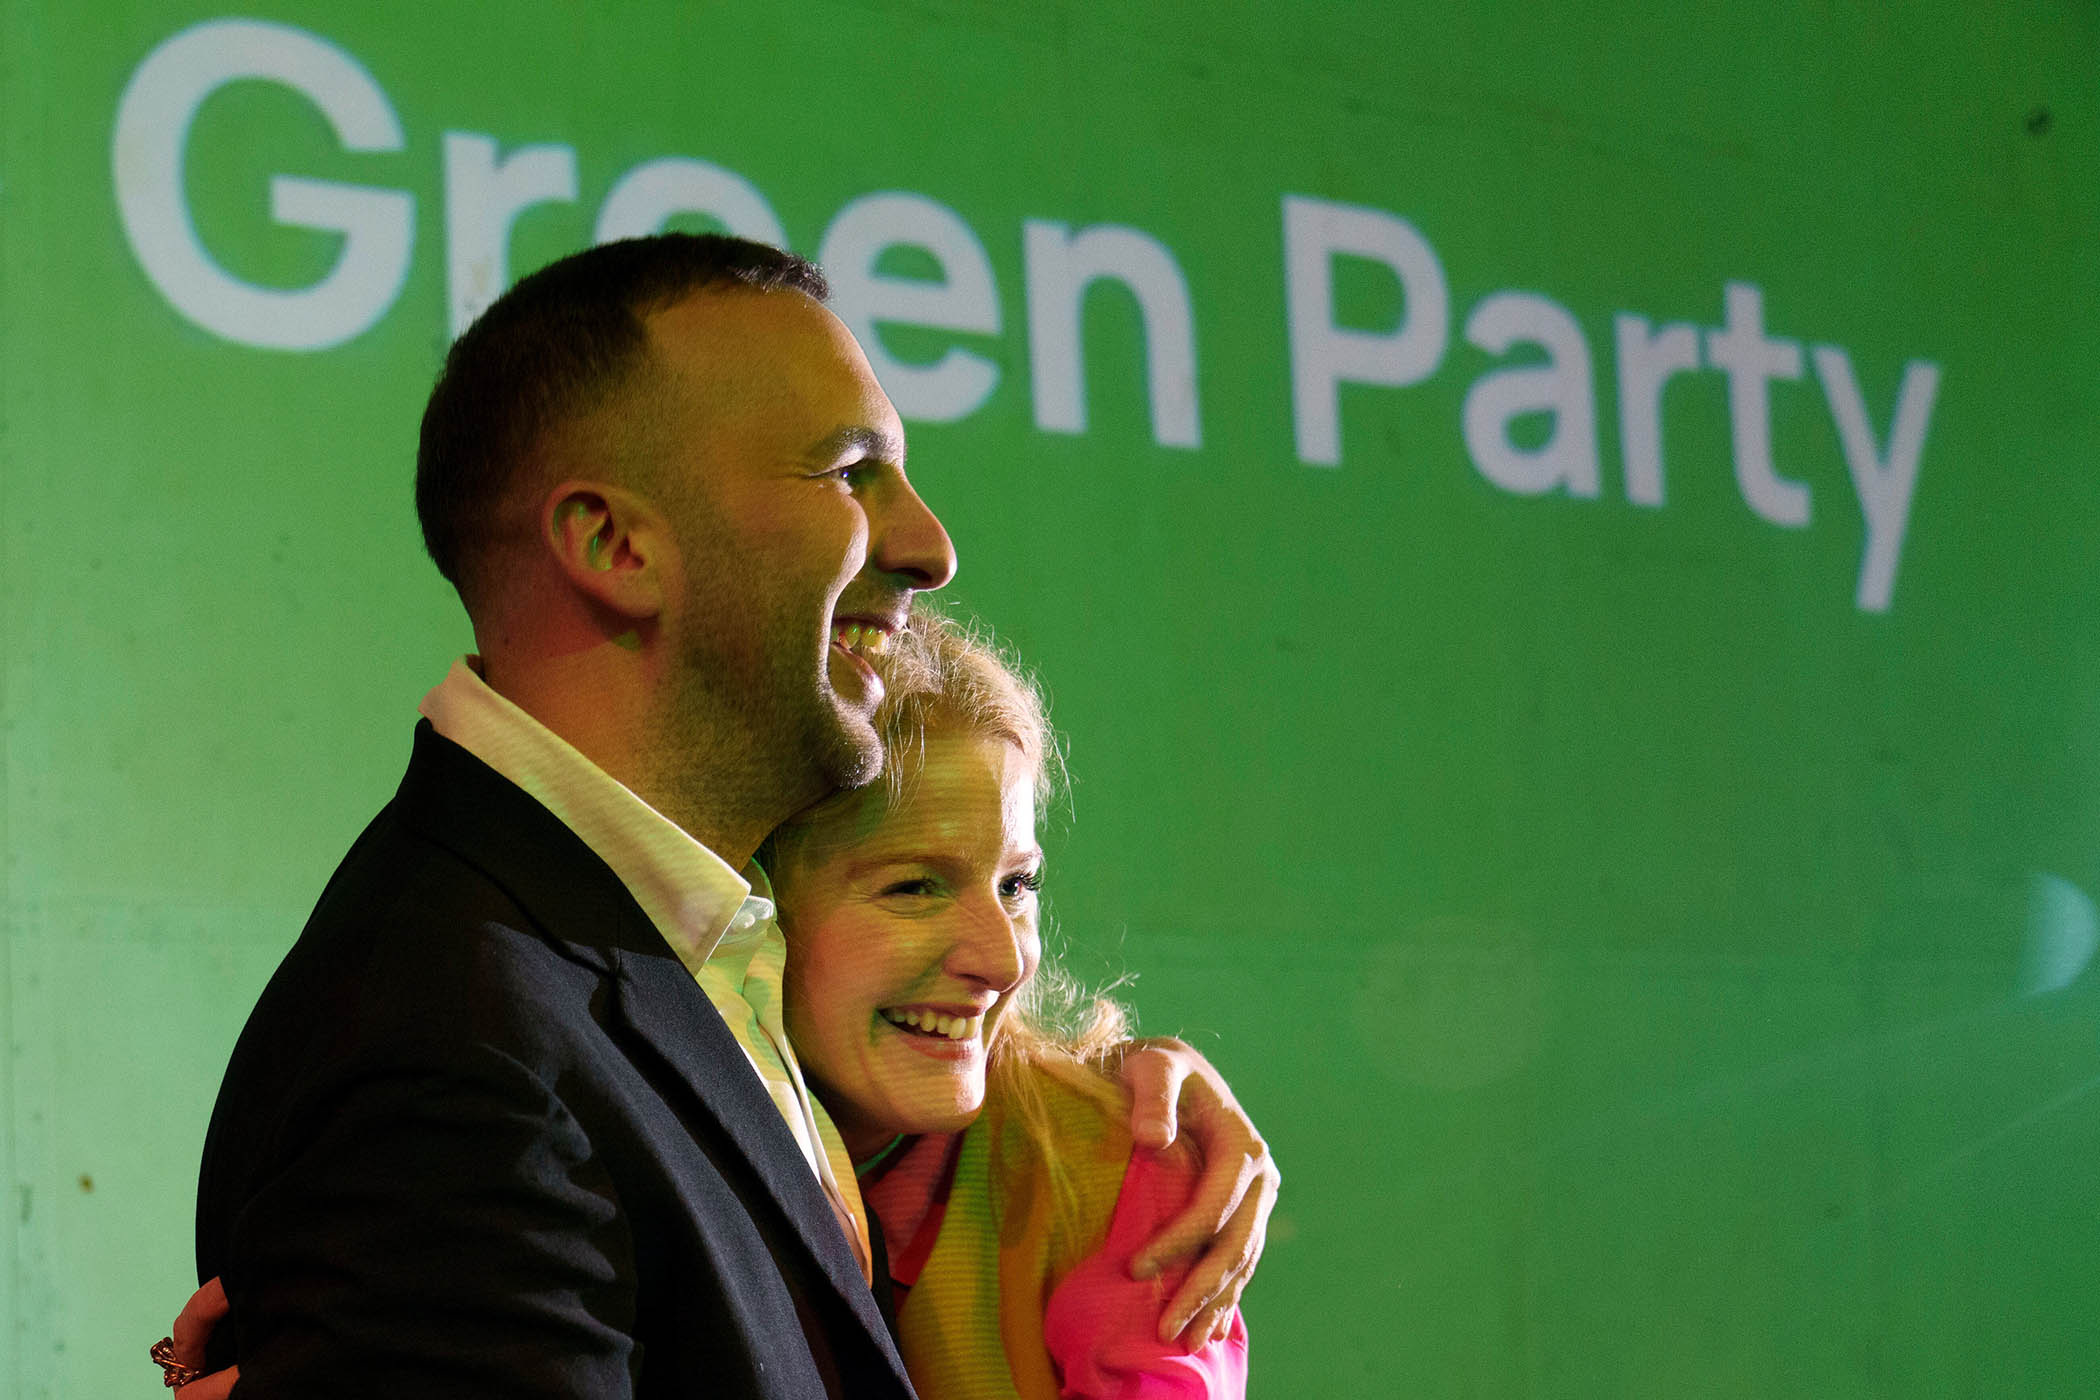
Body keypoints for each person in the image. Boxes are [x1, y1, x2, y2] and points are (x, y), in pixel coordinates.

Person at [179, 234, 1275, 1399]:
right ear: (614, 544)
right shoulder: (449, 1048)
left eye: (1014, 881)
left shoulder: (680, 958)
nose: (932, 547)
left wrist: (1111, 1106)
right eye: (851, 472)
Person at [171, 604, 1248, 1398]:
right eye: (913, 886)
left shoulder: (1128, 1173)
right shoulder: (621, 1141)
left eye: (1017, 883)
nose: (998, 954)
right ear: (756, 911)